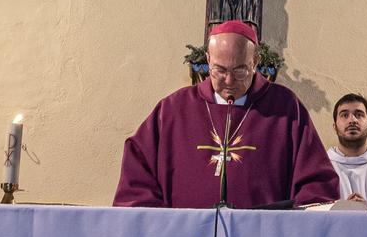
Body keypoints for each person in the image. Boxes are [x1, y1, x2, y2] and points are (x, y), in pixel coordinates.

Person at [116, 20, 338, 208]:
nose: (229, 81)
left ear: (255, 62)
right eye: (219, 70)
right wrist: (163, 228)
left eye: (240, 70)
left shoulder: (285, 108)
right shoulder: (173, 110)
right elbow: (137, 171)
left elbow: (316, 183)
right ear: (208, 60)